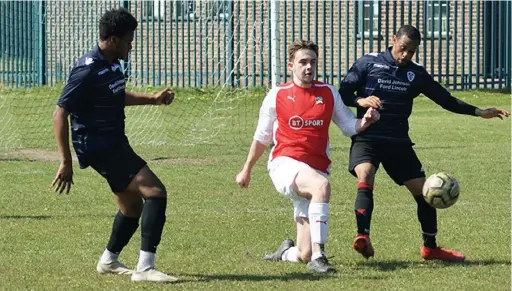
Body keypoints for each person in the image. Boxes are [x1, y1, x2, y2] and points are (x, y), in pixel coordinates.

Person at [338, 24, 509, 261]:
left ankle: (430, 248)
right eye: (403, 48)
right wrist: (361, 100)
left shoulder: (416, 74)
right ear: (393, 40)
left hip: (398, 141)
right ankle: (362, 236)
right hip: (368, 136)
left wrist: (479, 111)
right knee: (365, 175)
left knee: (426, 191)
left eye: (412, 51)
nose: (406, 55)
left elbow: (445, 99)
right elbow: (343, 93)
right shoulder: (368, 63)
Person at [51, 8, 179, 283]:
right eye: (129, 39)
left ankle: (108, 261)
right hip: (99, 145)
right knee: (155, 191)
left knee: (131, 207)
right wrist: (66, 160)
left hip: (113, 142)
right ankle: (145, 268)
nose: (131, 44)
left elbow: (115, 95)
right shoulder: (87, 69)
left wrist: (152, 99)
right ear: (112, 39)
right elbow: (60, 112)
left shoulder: (111, 63)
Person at [235, 40, 380, 274]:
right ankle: (320, 256)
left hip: (316, 167)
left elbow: (348, 126)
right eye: (303, 62)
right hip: (284, 164)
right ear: (291, 65)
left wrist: (366, 121)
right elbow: (261, 137)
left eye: (313, 62)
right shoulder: (277, 95)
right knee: (321, 186)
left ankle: (285, 252)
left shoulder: (328, 93)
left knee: (302, 253)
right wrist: (246, 169)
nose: (309, 67)